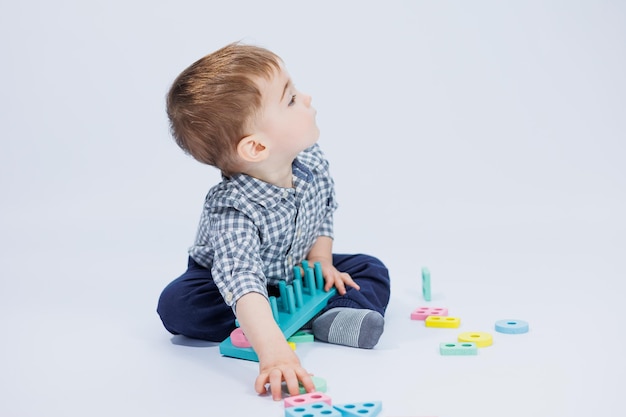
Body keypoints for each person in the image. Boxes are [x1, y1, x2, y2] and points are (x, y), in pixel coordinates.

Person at [156, 42, 391, 401]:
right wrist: (275, 354)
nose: (307, 97)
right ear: (257, 148)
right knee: (179, 305)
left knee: (371, 269)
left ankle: (325, 317)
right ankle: (277, 325)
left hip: (296, 270)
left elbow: (324, 209)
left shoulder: (310, 159)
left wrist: (321, 261)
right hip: (230, 282)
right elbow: (242, 279)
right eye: (291, 99)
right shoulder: (231, 209)